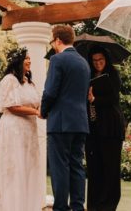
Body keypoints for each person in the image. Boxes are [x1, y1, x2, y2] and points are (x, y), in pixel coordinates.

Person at [40, 25, 90, 211]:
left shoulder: (57, 60)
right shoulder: (84, 63)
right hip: (80, 122)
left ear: (58, 40)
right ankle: (77, 207)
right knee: (77, 166)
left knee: (59, 167)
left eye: (52, 41)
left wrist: (43, 110)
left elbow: (50, 92)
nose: (52, 45)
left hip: (60, 122)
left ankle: (60, 207)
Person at [0, 47, 43, 211]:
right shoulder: (9, 80)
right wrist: (36, 112)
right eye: (26, 58)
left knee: (27, 166)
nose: (29, 61)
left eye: (29, 58)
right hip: (14, 129)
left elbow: (37, 103)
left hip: (29, 129)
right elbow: (12, 106)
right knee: (15, 166)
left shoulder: (29, 82)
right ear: (17, 61)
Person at [86, 45, 125, 211]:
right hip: (93, 127)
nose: (97, 63)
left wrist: (94, 99)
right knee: (94, 167)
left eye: (100, 59)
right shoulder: (87, 76)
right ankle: (94, 204)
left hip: (111, 128)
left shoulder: (113, 74)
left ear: (106, 59)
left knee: (110, 168)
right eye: (94, 60)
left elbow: (114, 98)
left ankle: (108, 205)